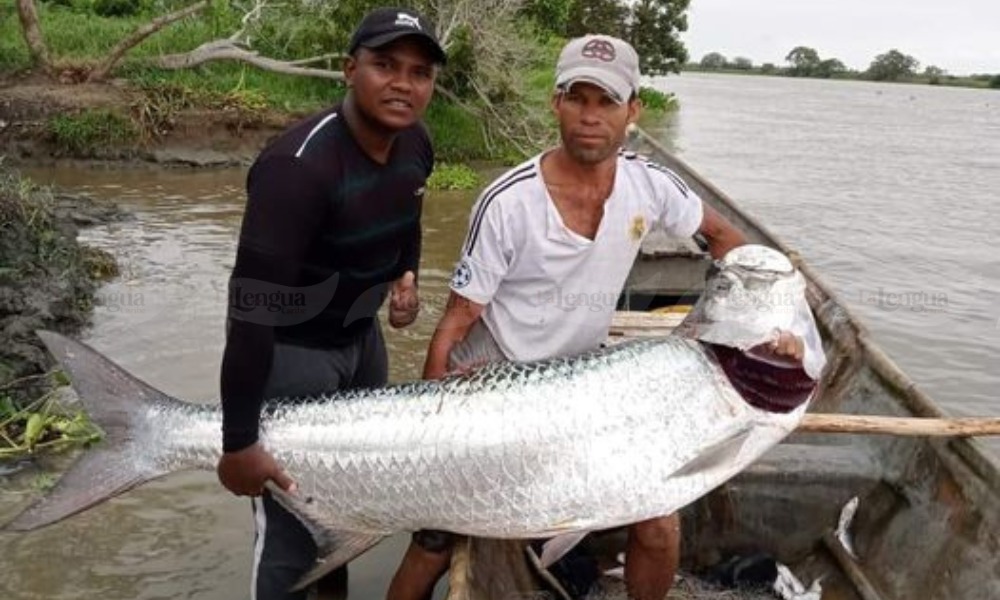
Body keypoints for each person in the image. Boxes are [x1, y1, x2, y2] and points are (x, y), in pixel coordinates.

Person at [388, 34, 806, 600]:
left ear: (633, 111)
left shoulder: (650, 183)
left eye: (606, 102)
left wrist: (762, 315)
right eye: (577, 98)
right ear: (555, 103)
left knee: (659, 521)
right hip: (491, 386)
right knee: (435, 540)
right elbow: (458, 319)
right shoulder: (508, 201)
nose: (590, 117)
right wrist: (432, 417)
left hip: (582, 389)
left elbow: (724, 238)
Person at [215, 7, 446, 600]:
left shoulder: (415, 141)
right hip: (291, 354)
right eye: (385, 65)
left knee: (344, 514)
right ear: (349, 69)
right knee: (291, 533)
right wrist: (240, 441)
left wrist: (408, 274)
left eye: (419, 72)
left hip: (360, 342)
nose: (403, 83)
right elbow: (250, 311)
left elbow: (408, 213)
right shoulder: (298, 168)